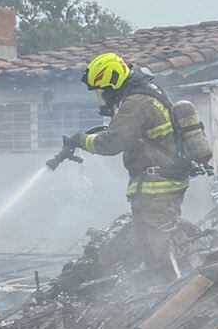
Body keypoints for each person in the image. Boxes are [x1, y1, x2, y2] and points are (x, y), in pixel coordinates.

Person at [64, 53, 190, 270]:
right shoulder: (147, 94)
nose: (101, 96)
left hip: (156, 186)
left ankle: (178, 292)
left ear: (113, 82)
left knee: (161, 247)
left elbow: (111, 143)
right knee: (150, 247)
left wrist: (81, 140)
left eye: (101, 90)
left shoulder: (136, 103)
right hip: (157, 183)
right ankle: (160, 289)